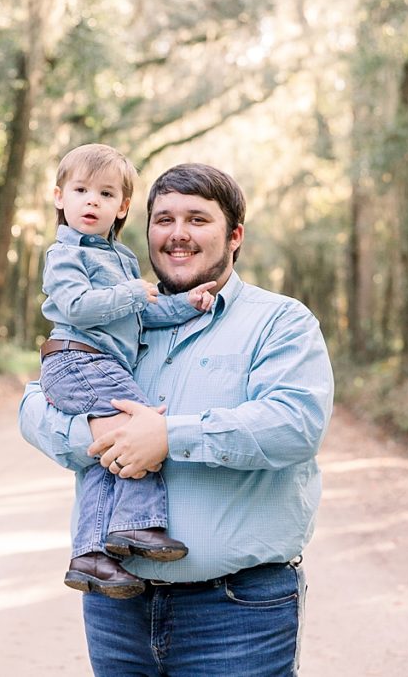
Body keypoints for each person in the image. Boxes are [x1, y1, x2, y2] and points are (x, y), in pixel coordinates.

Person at [20, 162, 334, 675]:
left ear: (234, 235)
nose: (178, 234)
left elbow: (293, 424)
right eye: (164, 219)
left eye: (197, 219)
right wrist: (99, 433)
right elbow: (34, 407)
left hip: (237, 613)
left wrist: (169, 435)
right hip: (115, 605)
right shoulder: (120, 316)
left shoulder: (280, 321)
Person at [39, 144, 217, 600]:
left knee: (109, 453)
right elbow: (76, 306)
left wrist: (185, 305)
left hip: (98, 362)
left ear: (122, 207)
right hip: (77, 358)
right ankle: (138, 526)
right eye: (81, 190)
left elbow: (142, 314)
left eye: (105, 193)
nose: (92, 201)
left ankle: (92, 556)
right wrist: (133, 293)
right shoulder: (64, 256)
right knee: (143, 428)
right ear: (60, 197)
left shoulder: (121, 261)